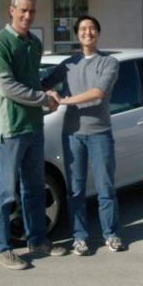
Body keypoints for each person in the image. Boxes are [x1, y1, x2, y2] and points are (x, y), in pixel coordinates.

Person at [0, 0, 67, 270]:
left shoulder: (34, 43)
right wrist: (43, 99)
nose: (27, 15)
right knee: (4, 192)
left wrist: (53, 87)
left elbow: (33, 82)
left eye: (31, 11)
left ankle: (38, 240)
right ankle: (1, 248)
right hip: (11, 129)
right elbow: (7, 87)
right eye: (22, 10)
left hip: (34, 126)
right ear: (11, 10)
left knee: (34, 188)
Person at [42, 15, 124, 256]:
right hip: (72, 135)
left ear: (98, 33)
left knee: (105, 188)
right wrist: (50, 94)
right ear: (77, 34)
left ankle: (111, 234)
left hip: (100, 133)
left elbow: (98, 93)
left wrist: (63, 100)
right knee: (75, 190)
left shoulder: (108, 63)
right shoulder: (69, 64)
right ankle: (80, 237)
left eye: (92, 28)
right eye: (83, 29)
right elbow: (44, 83)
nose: (88, 32)